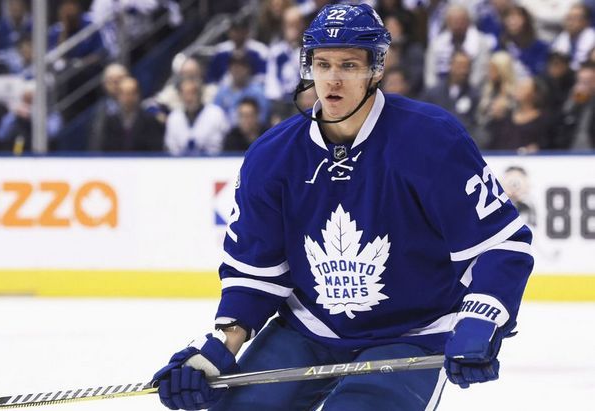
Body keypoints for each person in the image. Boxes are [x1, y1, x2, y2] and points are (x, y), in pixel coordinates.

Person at [152, 4, 534, 411]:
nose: (332, 79)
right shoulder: (272, 156)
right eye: (323, 64)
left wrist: (482, 316)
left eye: (349, 65)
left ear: (376, 69)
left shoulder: (433, 140)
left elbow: (501, 245)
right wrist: (218, 346)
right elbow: (255, 272)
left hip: (413, 333)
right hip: (309, 328)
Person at [89, 76, 165, 152]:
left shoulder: (150, 120)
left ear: (138, 94)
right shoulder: (110, 121)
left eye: (132, 93)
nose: (128, 98)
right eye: (125, 94)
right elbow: (104, 147)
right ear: (118, 95)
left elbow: (155, 148)